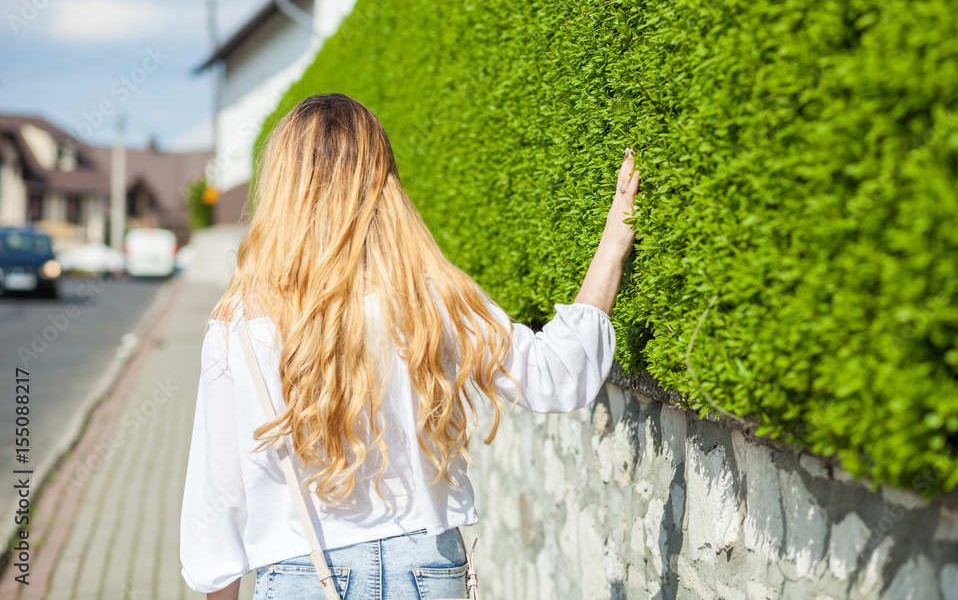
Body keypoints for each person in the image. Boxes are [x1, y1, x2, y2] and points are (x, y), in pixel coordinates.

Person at [178, 93, 641, 600]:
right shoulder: (427, 294)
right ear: (382, 180)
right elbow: (557, 375)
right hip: (426, 565)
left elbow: (218, 499)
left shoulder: (237, 325)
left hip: (300, 577)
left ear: (281, 184)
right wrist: (614, 242)